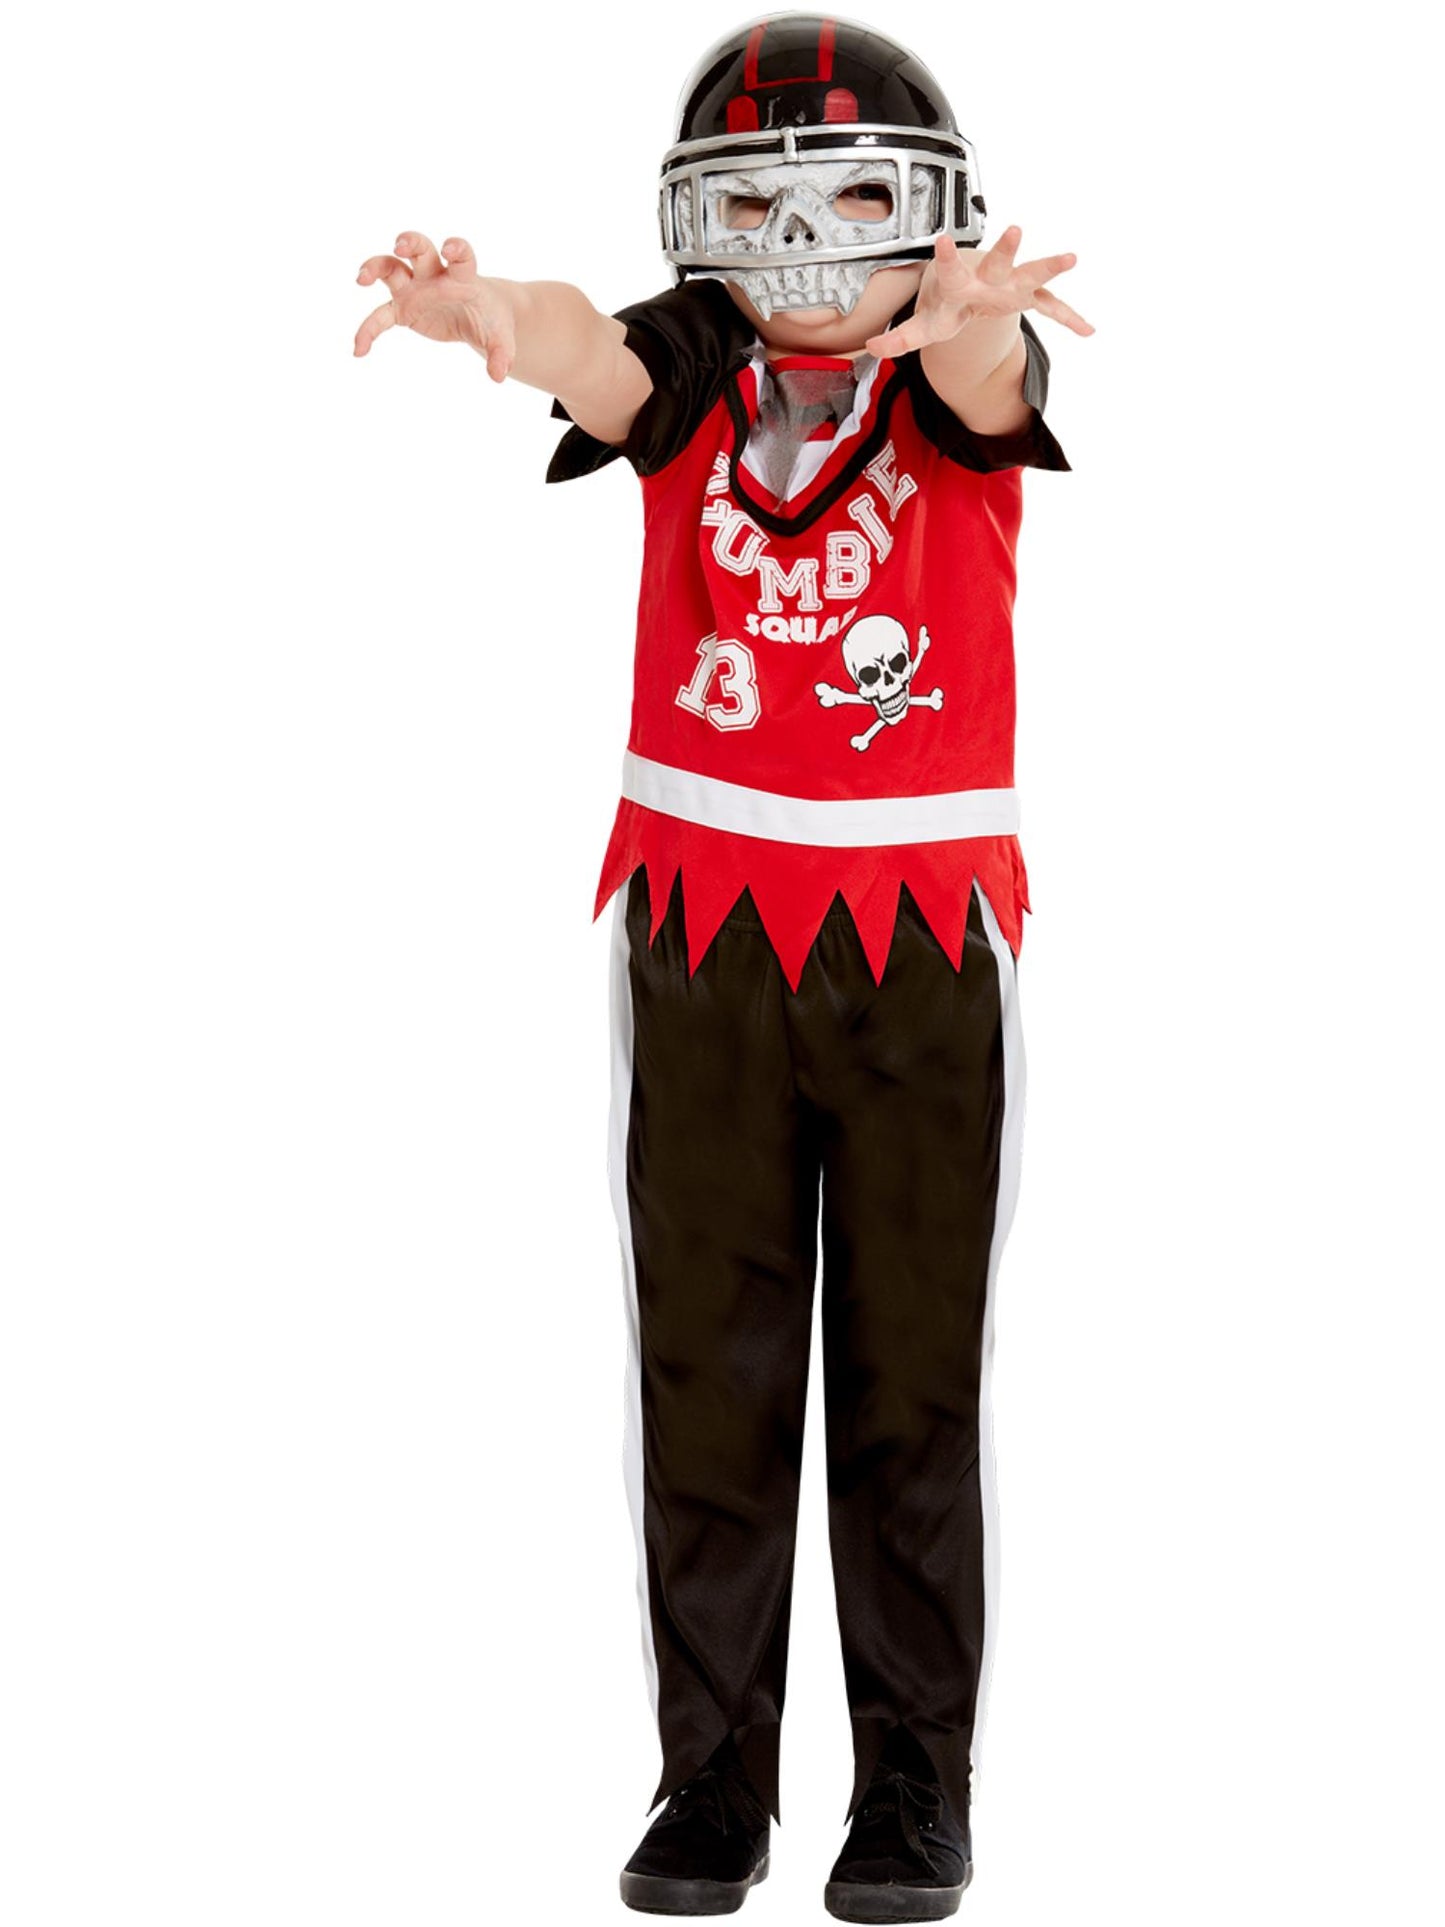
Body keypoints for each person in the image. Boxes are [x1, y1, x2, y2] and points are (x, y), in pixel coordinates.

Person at [353, 12, 1092, 1919]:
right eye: (757, 209)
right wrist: (482, 315)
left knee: (909, 1385)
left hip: (917, 939)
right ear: (703, 225)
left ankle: (912, 1787)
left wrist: (972, 323)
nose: (806, 248)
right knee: (708, 1369)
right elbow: (583, 354)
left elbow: (990, 382)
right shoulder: (697, 361)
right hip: (700, 929)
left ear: (931, 217)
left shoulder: (947, 371)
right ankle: (711, 1784)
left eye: (849, 205)